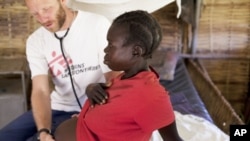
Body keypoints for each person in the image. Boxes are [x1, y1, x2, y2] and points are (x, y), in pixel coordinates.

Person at [54, 10, 183, 141]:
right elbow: (117, 113)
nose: (105, 50)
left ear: (136, 51)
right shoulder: (126, 78)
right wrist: (91, 89)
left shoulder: (152, 96)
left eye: (111, 45)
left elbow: (173, 139)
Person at [0, 0, 119, 141]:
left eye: (46, 9)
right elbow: (40, 91)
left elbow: (114, 78)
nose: (42, 18)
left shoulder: (97, 24)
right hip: (57, 107)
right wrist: (43, 131)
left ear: (62, 1)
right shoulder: (35, 41)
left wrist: (92, 112)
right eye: (35, 14)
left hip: (92, 107)